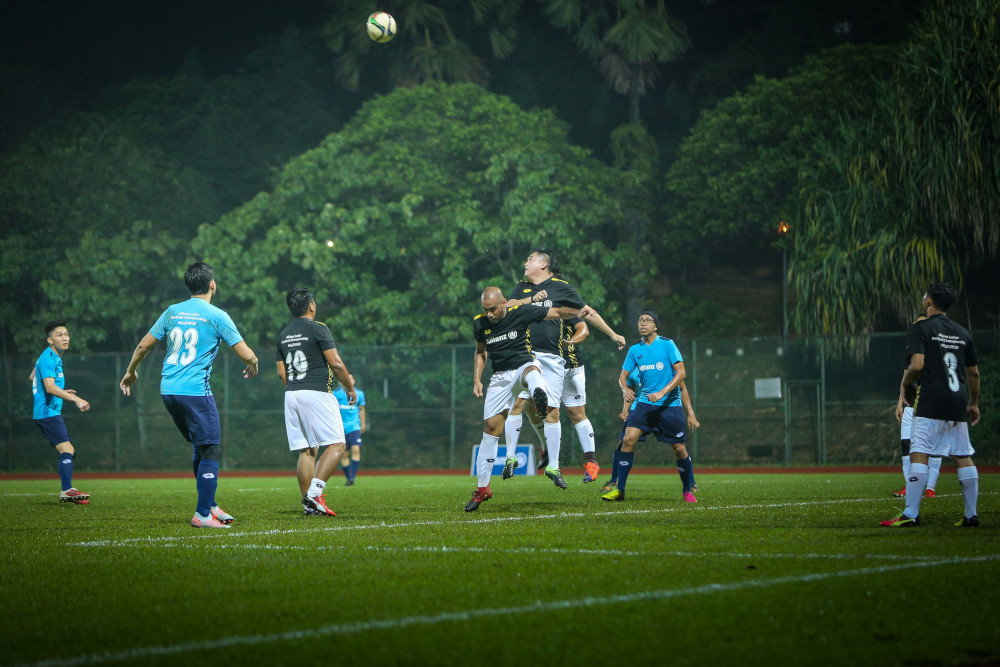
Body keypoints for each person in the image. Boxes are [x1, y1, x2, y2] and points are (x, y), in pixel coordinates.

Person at [120, 262, 259, 528]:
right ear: (212, 284)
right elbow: (246, 353)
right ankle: (202, 514)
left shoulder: (172, 311)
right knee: (212, 448)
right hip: (195, 392)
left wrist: (131, 372)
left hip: (168, 390)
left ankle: (211, 505)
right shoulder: (217, 315)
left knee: (200, 445)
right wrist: (253, 362)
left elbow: (142, 346)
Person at [467, 286, 621, 511]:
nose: (489, 314)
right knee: (491, 428)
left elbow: (557, 313)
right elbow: (481, 352)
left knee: (533, 370)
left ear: (504, 303)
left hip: (523, 366)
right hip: (500, 376)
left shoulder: (520, 312)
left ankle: (540, 394)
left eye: (493, 309)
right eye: (485, 309)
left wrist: (579, 313)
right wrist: (477, 379)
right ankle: (483, 489)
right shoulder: (480, 323)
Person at [501, 247, 624, 488]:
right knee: (520, 404)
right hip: (525, 355)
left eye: (530, 259)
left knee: (555, 412)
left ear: (543, 264)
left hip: (555, 359)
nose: (525, 262)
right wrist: (530, 300)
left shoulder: (561, 287)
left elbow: (586, 313)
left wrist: (612, 333)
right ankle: (511, 458)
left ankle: (559, 464)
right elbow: (508, 308)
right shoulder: (522, 287)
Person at [882, 283, 981, 528]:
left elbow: (916, 365)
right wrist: (974, 403)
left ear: (928, 302)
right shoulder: (962, 332)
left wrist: (905, 385)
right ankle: (971, 515)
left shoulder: (921, 328)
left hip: (931, 398)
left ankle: (910, 514)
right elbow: (974, 374)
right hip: (957, 400)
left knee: (919, 452)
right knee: (963, 455)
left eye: (924, 296)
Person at [602, 309, 697, 503]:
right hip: (644, 404)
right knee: (627, 440)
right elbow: (623, 376)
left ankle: (687, 489)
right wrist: (624, 390)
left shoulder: (667, 344)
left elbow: (682, 374)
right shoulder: (635, 350)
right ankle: (619, 489)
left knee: (679, 448)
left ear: (655, 325)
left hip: (669, 405)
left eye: (647, 320)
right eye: (640, 320)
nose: (642, 323)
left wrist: (663, 393)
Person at [276, 288, 355, 516]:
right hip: (316, 391)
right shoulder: (318, 328)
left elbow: (282, 374)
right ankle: (314, 494)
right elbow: (336, 363)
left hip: (291, 393)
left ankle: (308, 505)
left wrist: (295, 392)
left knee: (307, 450)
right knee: (338, 444)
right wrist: (349, 387)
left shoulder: (283, 335)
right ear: (311, 306)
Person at [599, 370, 700, 496]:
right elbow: (630, 391)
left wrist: (691, 413)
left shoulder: (666, 364)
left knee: (679, 447)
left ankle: (690, 482)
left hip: (666, 409)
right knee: (625, 441)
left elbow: (682, 387)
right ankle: (614, 482)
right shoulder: (634, 368)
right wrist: (625, 410)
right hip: (640, 409)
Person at [31, 320, 91, 504]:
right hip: (48, 412)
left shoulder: (52, 357)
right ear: (50, 339)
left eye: (66, 334)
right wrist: (76, 399)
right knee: (67, 449)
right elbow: (49, 387)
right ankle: (67, 490)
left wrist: (64, 392)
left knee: (67, 451)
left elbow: (32, 376)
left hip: (49, 411)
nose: (65, 338)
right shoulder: (48, 358)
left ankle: (68, 489)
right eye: (59, 335)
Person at [892, 315, 942, 499]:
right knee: (907, 444)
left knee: (933, 446)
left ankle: (930, 488)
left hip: (930, 402)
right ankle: (909, 486)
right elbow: (906, 376)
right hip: (911, 403)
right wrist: (900, 402)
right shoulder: (911, 349)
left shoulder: (937, 347)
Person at [335, 372, 366, 486]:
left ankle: (352, 477)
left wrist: (363, 424)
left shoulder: (359, 394)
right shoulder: (335, 394)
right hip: (341, 429)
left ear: (353, 381)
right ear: (340, 381)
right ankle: (349, 478)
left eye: (351, 379)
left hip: (354, 427)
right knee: (344, 454)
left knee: (356, 450)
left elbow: (362, 409)